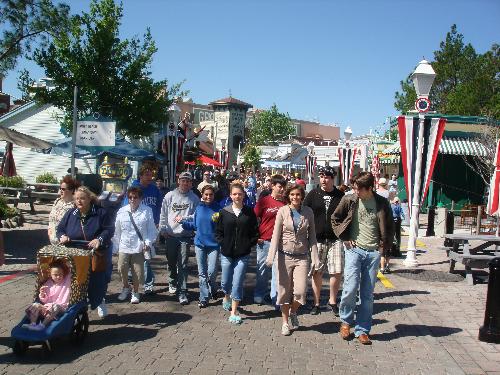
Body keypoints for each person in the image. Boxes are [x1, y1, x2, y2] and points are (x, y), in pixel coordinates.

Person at [332, 172, 394, 345]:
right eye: (354, 188)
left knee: (367, 294)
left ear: (369, 188)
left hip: (373, 253)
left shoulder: (381, 203)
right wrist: (344, 238)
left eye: (358, 189)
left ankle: (363, 330)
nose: (355, 191)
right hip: (354, 250)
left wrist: (384, 247)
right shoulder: (350, 200)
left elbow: (390, 225)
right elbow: (335, 219)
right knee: (350, 288)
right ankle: (345, 322)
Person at [266, 184, 320, 335]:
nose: (295, 197)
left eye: (298, 195)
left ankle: (293, 311)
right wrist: (271, 256)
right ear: (288, 196)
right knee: (284, 291)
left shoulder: (308, 212)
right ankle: (285, 322)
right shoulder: (282, 211)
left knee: (301, 292)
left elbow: (313, 237)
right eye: (292, 195)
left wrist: (315, 257)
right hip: (284, 256)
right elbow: (275, 235)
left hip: (302, 257)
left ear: (302, 196)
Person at [57, 186, 114, 317]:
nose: (79, 201)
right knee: (77, 280)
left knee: (97, 280)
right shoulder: (71, 214)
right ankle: (74, 304)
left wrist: (99, 239)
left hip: (95, 253)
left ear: (89, 199)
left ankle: (100, 300)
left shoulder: (100, 212)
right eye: (77, 199)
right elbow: (60, 228)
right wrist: (62, 236)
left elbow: (109, 229)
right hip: (75, 253)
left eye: (82, 198)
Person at [303, 166, 344, 316]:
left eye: (327, 177)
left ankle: (333, 301)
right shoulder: (313, 194)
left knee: (337, 271)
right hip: (317, 239)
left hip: (335, 239)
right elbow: (304, 213)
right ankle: (316, 303)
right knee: (317, 271)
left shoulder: (340, 195)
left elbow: (347, 216)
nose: (323, 179)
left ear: (333, 178)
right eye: (321, 176)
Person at [215, 182, 259, 324]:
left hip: (243, 254)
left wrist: (248, 244)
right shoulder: (224, 212)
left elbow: (255, 232)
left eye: (240, 194)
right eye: (235, 194)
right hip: (227, 253)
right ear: (230, 195)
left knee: (238, 281)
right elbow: (218, 232)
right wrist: (223, 243)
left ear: (244, 195)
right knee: (226, 281)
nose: (237, 196)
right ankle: (226, 296)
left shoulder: (249, 212)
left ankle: (234, 312)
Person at [160, 171, 199, 305]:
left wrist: (185, 219)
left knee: (182, 264)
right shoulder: (170, 195)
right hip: (170, 235)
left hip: (185, 236)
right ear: (178, 181)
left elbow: (195, 216)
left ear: (191, 183)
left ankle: (182, 291)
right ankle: (172, 280)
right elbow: (163, 214)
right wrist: (162, 229)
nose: (185, 183)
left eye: (188, 181)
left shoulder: (194, 198)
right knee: (171, 261)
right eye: (183, 180)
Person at [122, 165, 163, 295]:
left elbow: (159, 206)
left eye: (151, 175)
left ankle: (148, 283)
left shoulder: (155, 189)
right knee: (131, 256)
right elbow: (126, 206)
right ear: (140, 175)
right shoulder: (134, 188)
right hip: (134, 228)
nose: (149, 177)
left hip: (149, 226)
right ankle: (132, 279)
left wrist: (157, 223)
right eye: (147, 174)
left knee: (147, 255)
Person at [113, 187, 158, 304]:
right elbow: (117, 230)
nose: (132, 199)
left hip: (139, 246)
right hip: (124, 245)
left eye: (135, 197)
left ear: (141, 198)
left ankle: (136, 292)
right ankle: (126, 287)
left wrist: (148, 243)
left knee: (137, 271)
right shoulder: (122, 211)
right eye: (130, 197)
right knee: (121, 268)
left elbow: (151, 230)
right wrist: (115, 246)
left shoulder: (147, 210)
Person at [182, 185, 221, 308]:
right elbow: (194, 225)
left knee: (212, 272)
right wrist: (182, 223)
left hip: (214, 245)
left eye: (211, 194)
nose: (208, 196)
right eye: (206, 194)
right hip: (200, 244)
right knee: (202, 273)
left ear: (214, 196)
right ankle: (203, 298)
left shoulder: (218, 208)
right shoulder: (199, 208)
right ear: (202, 195)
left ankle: (213, 288)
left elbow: (223, 227)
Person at [253, 174, 286, 306]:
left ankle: (275, 297)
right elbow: (254, 218)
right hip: (264, 241)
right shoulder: (264, 201)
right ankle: (259, 293)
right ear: (273, 186)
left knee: (277, 271)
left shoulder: (285, 203)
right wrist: (256, 236)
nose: (282, 189)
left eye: (283, 187)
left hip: (279, 242)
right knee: (262, 269)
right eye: (279, 187)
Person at [23, 259, 71, 331]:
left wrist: (69, 262)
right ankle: (32, 324)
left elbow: (70, 272)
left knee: (55, 306)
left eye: (60, 274)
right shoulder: (48, 283)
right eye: (55, 275)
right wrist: (42, 294)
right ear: (50, 275)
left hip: (61, 308)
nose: (58, 277)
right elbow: (45, 300)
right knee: (35, 304)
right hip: (47, 308)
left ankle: (42, 325)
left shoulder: (66, 281)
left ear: (63, 274)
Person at [48, 176, 79, 244]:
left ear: (71, 190)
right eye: (60, 188)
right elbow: (51, 220)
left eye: (63, 189)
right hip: (53, 242)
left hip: (66, 243)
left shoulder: (75, 206)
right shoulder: (57, 201)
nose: (60, 191)